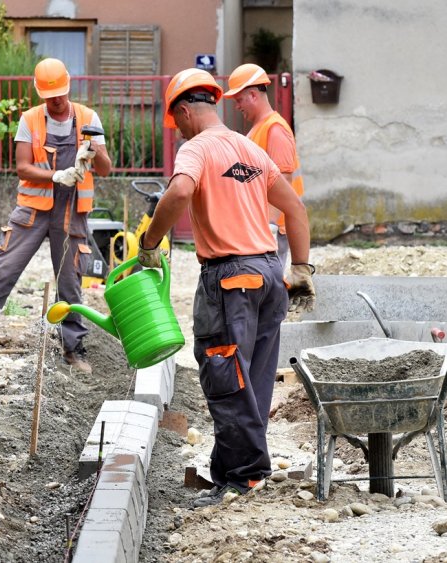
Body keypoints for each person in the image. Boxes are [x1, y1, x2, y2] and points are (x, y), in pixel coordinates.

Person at [136, 68, 314, 507]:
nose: (178, 130)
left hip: (231, 278)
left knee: (226, 376)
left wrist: (150, 242)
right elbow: (294, 208)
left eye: (176, 122)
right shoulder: (250, 148)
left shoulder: (197, 148)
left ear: (184, 111)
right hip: (269, 275)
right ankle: (230, 471)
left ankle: (245, 477)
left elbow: (179, 192)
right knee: (251, 380)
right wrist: (301, 266)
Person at [0, 58, 112, 373]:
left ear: (68, 86)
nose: (56, 100)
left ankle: (74, 349)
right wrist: (56, 175)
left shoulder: (89, 118)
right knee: (3, 269)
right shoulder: (30, 119)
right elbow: (22, 166)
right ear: (40, 93)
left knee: (70, 281)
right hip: (32, 211)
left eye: (60, 94)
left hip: (71, 212)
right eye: (50, 96)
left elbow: (105, 169)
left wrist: (94, 150)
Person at [223, 63, 304, 267]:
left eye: (239, 100)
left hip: (274, 229)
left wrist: (270, 227)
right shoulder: (260, 128)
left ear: (253, 95)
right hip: (262, 227)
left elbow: (283, 180)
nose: (237, 106)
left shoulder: (275, 129)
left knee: (271, 283)